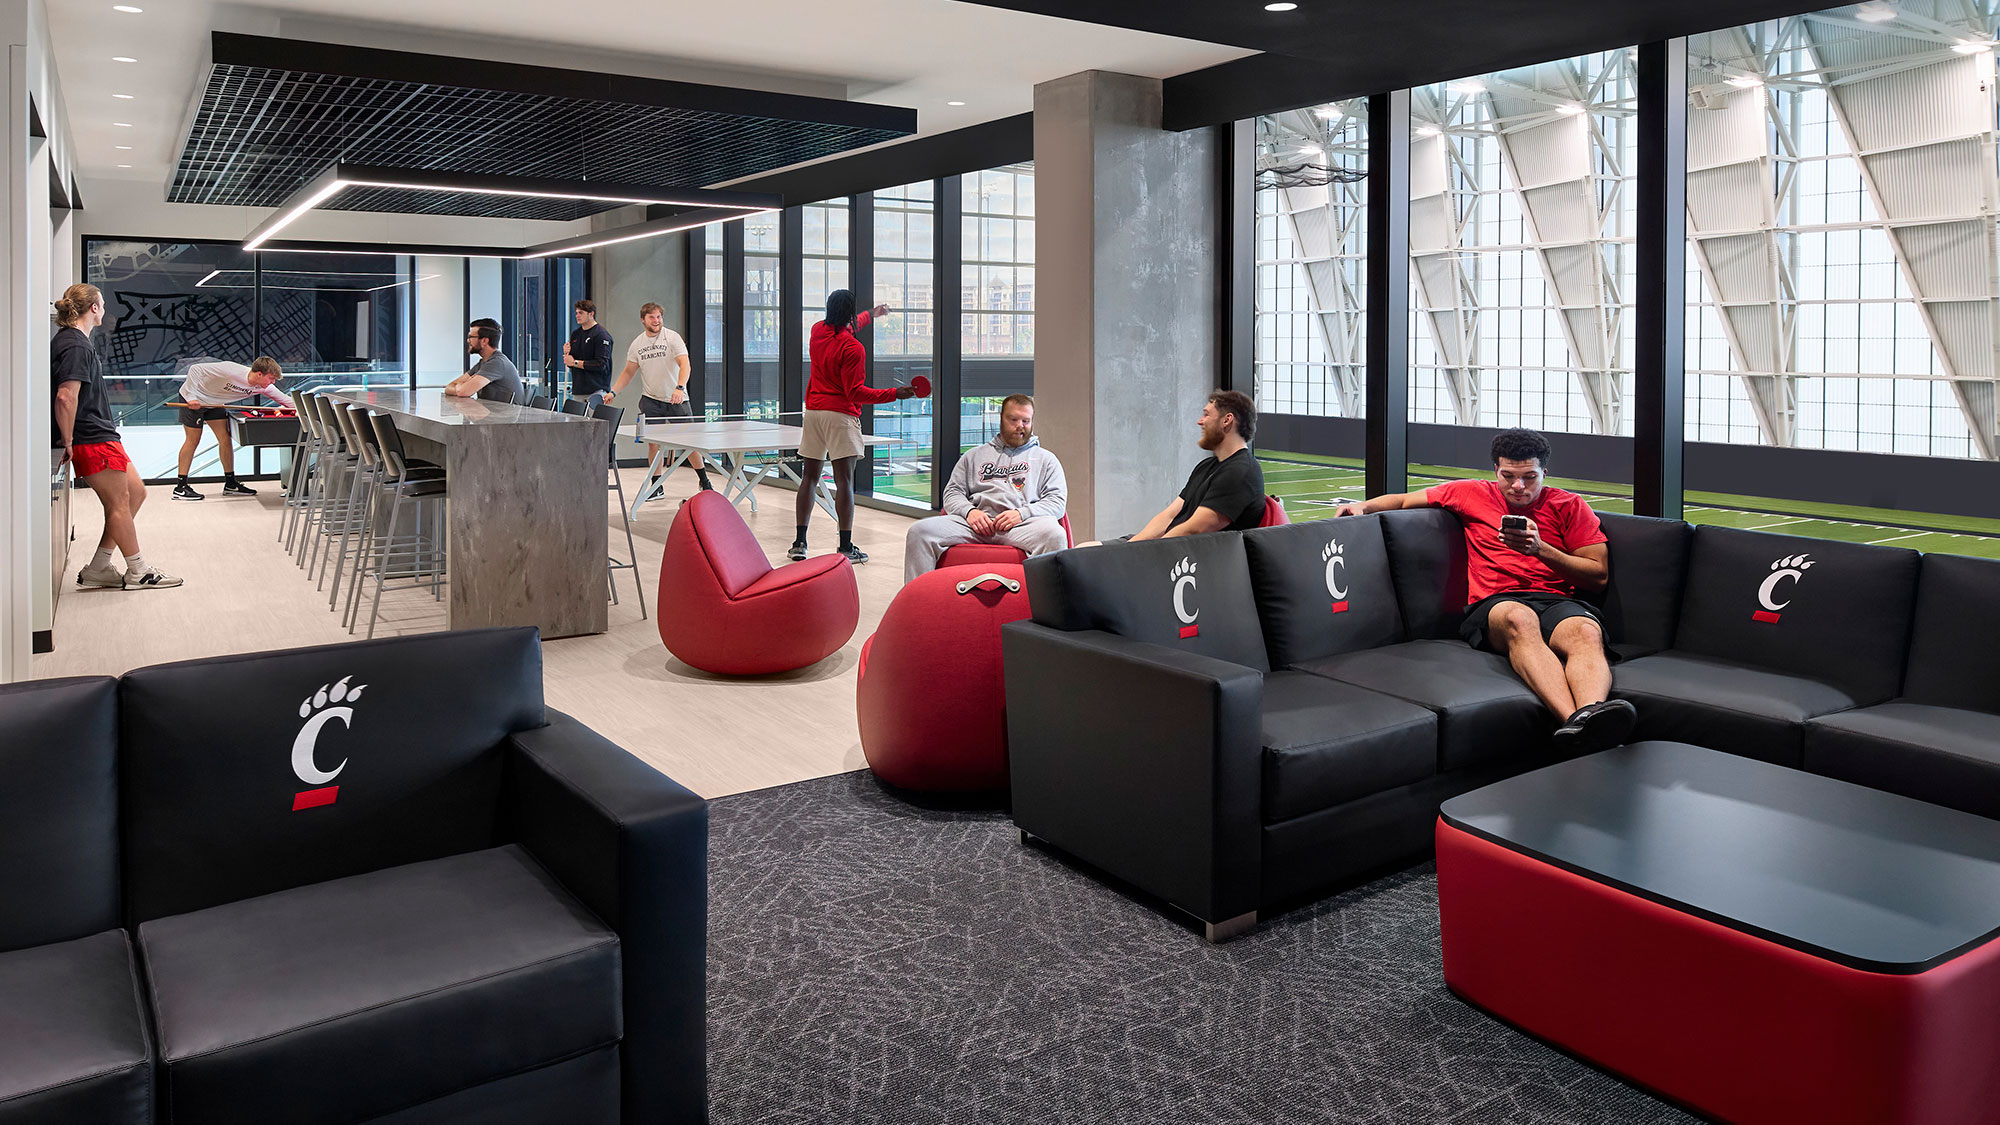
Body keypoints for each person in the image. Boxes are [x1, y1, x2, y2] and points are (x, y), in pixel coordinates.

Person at [1333, 427, 1634, 752]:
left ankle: (1589, 720)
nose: (1518, 486)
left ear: (1544, 473)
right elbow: (1405, 499)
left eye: (1529, 477)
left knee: (1586, 631)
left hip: (1555, 601)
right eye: (1508, 476)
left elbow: (1597, 575)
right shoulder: (1470, 493)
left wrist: (1541, 550)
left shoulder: (1569, 505)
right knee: (1519, 619)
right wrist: (1364, 507)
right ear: (1496, 471)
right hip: (1496, 602)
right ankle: (1577, 724)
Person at [51, 283, 181, 589]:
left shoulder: (75, 341)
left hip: (101, 434)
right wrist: (67, 440)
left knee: (135, 493)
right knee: (120, 503)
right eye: (103, 305)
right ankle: (139, 571)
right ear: (93, 308)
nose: (105, 310)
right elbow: (65, 396)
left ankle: (99, 567)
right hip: (91, 437)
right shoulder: (75, 345)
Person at [790, 289, 914, 564]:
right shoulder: (853, 348)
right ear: (850, 314)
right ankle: (845, 546)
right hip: (840, 417)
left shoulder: (816, 331)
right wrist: (894, 393)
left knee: (809, 478)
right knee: (844, 480)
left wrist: (872, 314)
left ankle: (799, 543)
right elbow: (855, 392)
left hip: (814, 413)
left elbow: (845, 325)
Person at [903, 394, 1067, 582]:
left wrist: (1022, 514)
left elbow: (1057, 502)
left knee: (1055, 535)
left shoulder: (1046, 459)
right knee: (919, 532)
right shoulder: (973, 456)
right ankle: (918, 599)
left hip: (1021, 526)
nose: (1020, 426)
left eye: (1026, 421)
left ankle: (1045, 601)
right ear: (1001, 419)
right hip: (975, 525)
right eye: (1013, 419)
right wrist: (970, 512)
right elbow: (952, 492)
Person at [1116, 389, 1266, 543]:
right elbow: (1169, 516)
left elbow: (1194, 530)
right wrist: (1131, 546)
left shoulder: (1241, 472)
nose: (1200, 421)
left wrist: (1146, 551)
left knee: (1103, 555)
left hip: (1189, 554)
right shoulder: (1206, 466)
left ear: (1227, 420)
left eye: (1206, 415)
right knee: (1099, 548)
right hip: (1169, 546)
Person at [603, 302, 709, 489]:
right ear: (643, 320)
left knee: (689, 443)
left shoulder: (672, 338)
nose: (656, 320)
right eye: (651, 317)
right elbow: (628, 372)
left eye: (659, 316)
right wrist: (613, 392)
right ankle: (656, 485)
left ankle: (704, 480)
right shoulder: (637, 344)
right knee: (653, 444)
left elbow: (685, 364)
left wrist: (680, 387)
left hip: (677, 399)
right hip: (651, 400)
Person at [171, 355, 293, 501]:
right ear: (259, 374)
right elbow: (195, 369)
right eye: (271, 378)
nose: (273, 382)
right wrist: (191, 396)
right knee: (193, 440)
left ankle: (230, 484)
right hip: (194, 400)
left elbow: (289, 402)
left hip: (215, 403)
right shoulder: (231, 370)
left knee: (225, 438)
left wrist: (309, 409)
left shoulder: (265, 387)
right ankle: (180, 487)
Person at [443, 319, 523, 403]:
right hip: (490, 410)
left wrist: (460, 385)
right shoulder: (483, 363)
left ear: (484, 341)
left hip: (505, 412)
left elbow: (463, 392)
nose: (468, 340)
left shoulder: (497, 363)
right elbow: (449, 387)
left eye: (471, 337)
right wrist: (462, 386)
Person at [562, 298, 614, 408]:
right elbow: (571, 362)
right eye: (576, 313)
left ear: (591, 314)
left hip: (596, 390)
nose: (577, 316)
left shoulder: (601, 335)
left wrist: (575, 362)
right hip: (578, 390)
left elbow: (600, 364)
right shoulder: (576, 334)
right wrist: (567, 355)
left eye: (581, 313)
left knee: (595, 419)